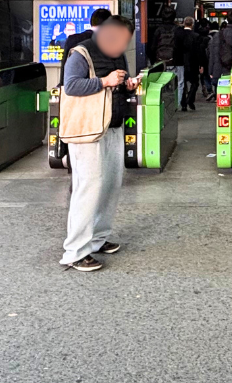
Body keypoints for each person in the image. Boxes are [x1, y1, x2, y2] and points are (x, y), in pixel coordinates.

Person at [60, 15, 138, 272]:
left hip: (112, 124)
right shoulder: (81, 53)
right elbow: (70, 85)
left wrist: (127, 86)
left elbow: (117, 86)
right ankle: (75, 251)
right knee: (89, 186)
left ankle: (97, 238)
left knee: (111, 183)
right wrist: (105, 81)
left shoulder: (118, 55)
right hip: (88, 130)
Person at [59, 7, 112, 169]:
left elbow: (65, 73)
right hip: (95, 103)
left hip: (72, 101)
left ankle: (71, 163)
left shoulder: (72, 40)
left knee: (74, 131)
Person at [149, 6, 186, 98]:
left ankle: (162, 102)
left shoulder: (157, 30)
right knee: (179, 84)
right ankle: (178, 104)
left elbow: (152, 47)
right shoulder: (179, 30)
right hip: (177, 62)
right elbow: (184, 47)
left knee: (160, 84)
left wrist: (154, 61)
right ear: (174, 17)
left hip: (160, 63)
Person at [208, 11, 232, 86]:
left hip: (218, 70)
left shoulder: (218, 35)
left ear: (226, 20)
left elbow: (212, 54)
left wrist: (210, 71)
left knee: (219, 93)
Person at [180, 16, 202, 111]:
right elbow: (199, 52)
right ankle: (190, 99)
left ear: (184, 23)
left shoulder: (179, 35)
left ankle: (183, 103)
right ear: (192, 24)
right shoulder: (196, 36)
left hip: (180, 63)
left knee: (182, 83)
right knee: (195, 83)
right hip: (193, 63)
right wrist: (201, 64)